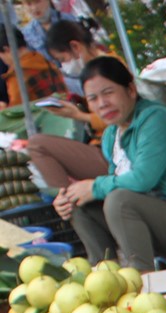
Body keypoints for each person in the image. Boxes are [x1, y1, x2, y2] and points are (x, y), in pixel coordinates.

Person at [51, 57, 166, 272]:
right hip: (160, 225)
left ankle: (141, 279)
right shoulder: (111, 135)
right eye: (93, 98)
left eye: (108, 92)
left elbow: (143, 179)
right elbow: (118, 182)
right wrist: (69, 197)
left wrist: (94, 187)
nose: (102, 104)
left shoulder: (156, 119)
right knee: (79, 202)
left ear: (130, 90)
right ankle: (104, 276)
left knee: (119, 200)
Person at [22, 22, 110, 191]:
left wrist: (78, 115)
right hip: (103, 148)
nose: (64, 66)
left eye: (63, 59)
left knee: (37, 145)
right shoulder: (96, 70)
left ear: (75, 47)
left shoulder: (106, 70)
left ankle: (65, 201)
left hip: (112, 154)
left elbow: (119, 118)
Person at [0, 24, 62, 108]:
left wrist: (4, 109)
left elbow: (16, 112)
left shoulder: (18, 76)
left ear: (7, 50)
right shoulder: (43, 60)